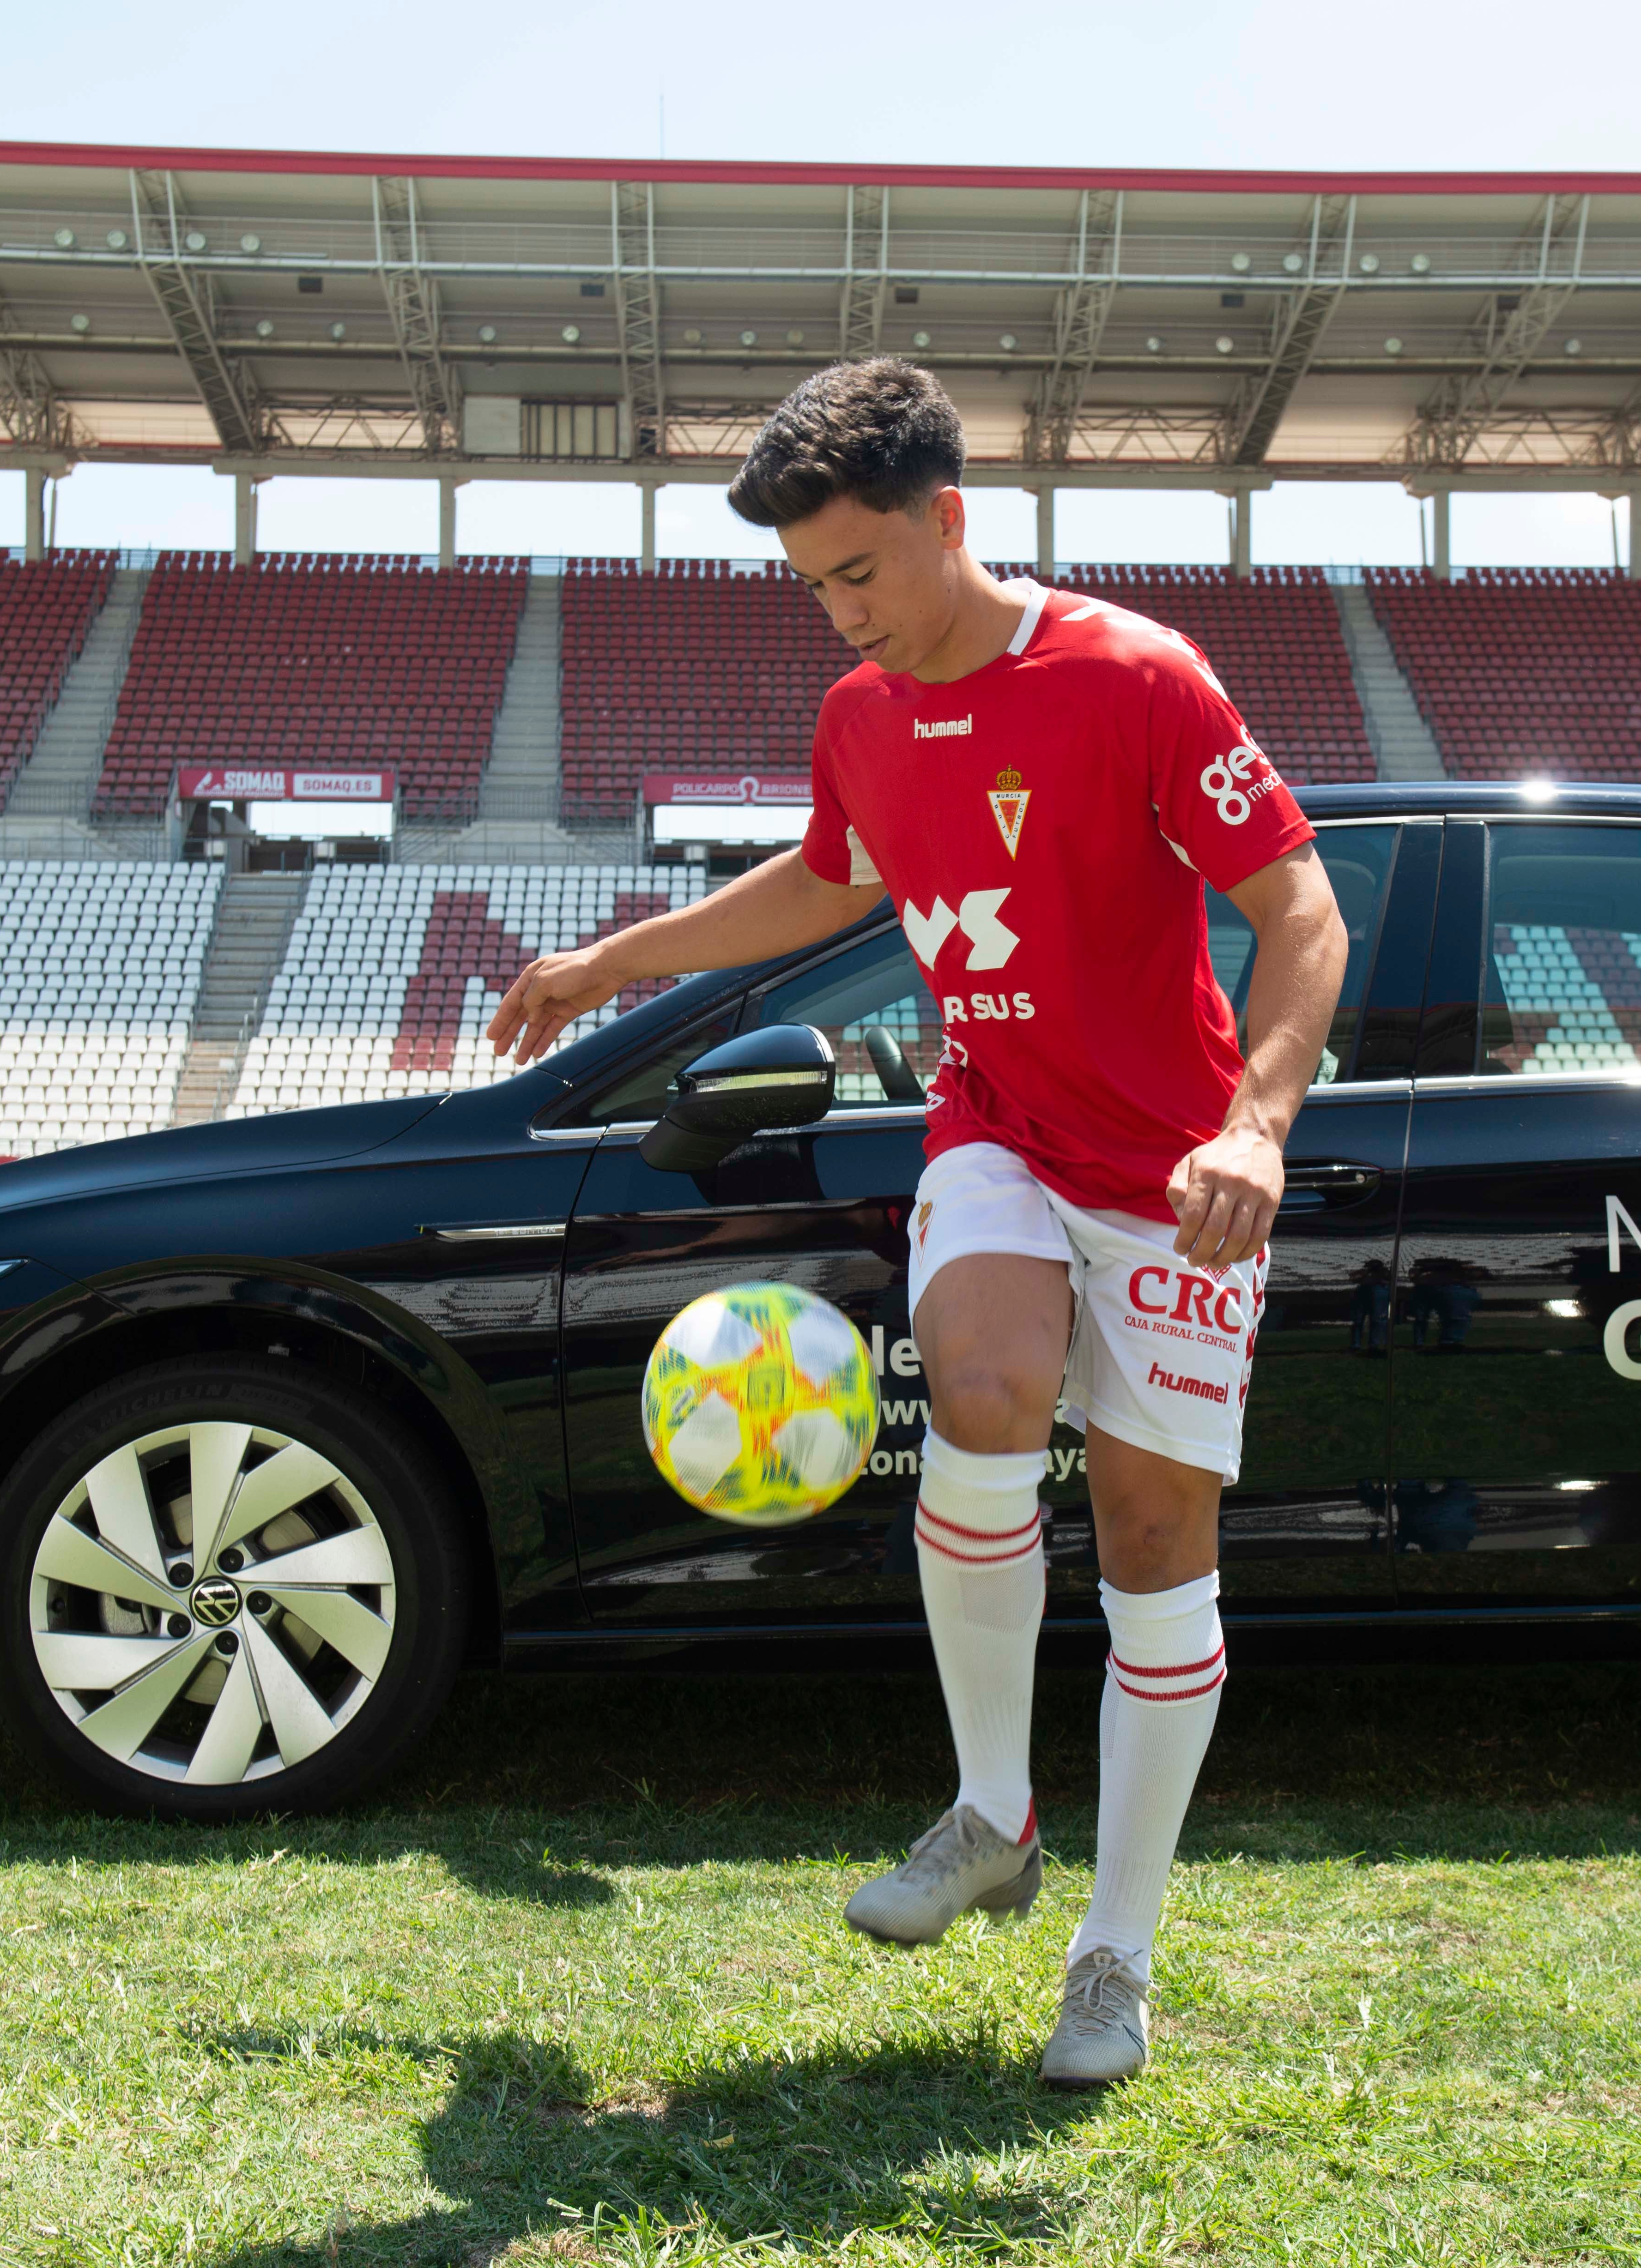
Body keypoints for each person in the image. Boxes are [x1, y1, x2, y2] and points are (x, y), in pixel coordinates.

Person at [484, 359, 1346, 2087]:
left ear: (949, 518)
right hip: (997, 1128)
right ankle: (989, 1810)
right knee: (978, 1397)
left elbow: (1301, 909)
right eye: (811, 585)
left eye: (860, 573)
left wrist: (1257, 1128)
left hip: (1175, 1169)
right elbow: (831, 876)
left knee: (1158, 1548)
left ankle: (1115, 1955)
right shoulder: (862, 715)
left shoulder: (1136, 675)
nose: (839, 615)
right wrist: (605, 964)